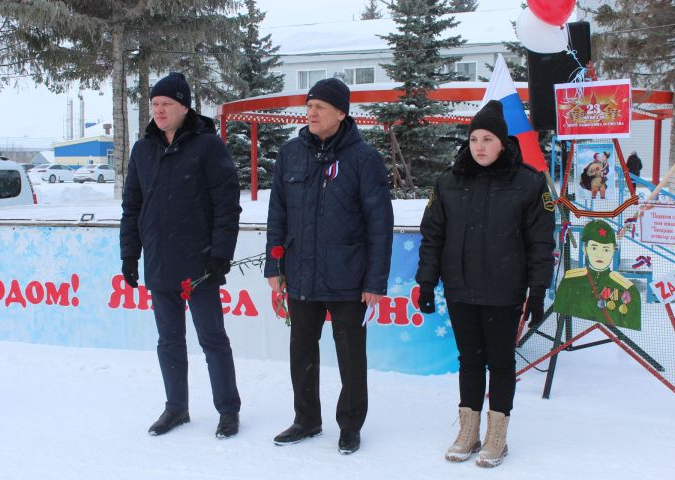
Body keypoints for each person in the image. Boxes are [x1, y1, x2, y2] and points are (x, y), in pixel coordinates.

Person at [416, 100, 555, 468]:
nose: (479, 146)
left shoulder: (527, 182)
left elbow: (541, 242)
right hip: (460, 289)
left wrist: (538, 289)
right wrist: (427, 283)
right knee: (470, 361)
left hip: (505, 291)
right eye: (474, 138)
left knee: (501, 363)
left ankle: (497, 436)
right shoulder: (448, 182)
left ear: (503, 142)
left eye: (488, 138)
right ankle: (468, 430)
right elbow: (432, 236)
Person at [264, 78, 394, 455]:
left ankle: (350, 424)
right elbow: (278, 215)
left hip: (348, 277)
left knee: (351, 356)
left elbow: (379, 225)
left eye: (320, 106)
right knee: (301, 350)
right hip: (300, 272)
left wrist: (374, 281)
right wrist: (275, 267)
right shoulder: (290, 154)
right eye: (309, 106)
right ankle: (306, 419)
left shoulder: (364, 159)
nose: (312, 112)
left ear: (342, 113)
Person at [120, 72, 242, 439]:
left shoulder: (208, 146)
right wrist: (130, 255)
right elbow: (132, 207)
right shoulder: (143, 150)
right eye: (154, 105)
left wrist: (220, 255)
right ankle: (176, 408)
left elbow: (227, 205)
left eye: (166, 104)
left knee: (212, 340)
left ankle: (228, 410)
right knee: (168, 341)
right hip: (159, 261)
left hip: (200, 265)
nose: (158, 111)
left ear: (184, 107)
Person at [552, 220, 641, 331]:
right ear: (585, 250)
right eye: (594, 248)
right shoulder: (570, 281)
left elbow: (630, 324)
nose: (600, 254)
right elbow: (561, 307)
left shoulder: (627, 288)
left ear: (613, 251)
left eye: (606, 249)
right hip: (578, 333)